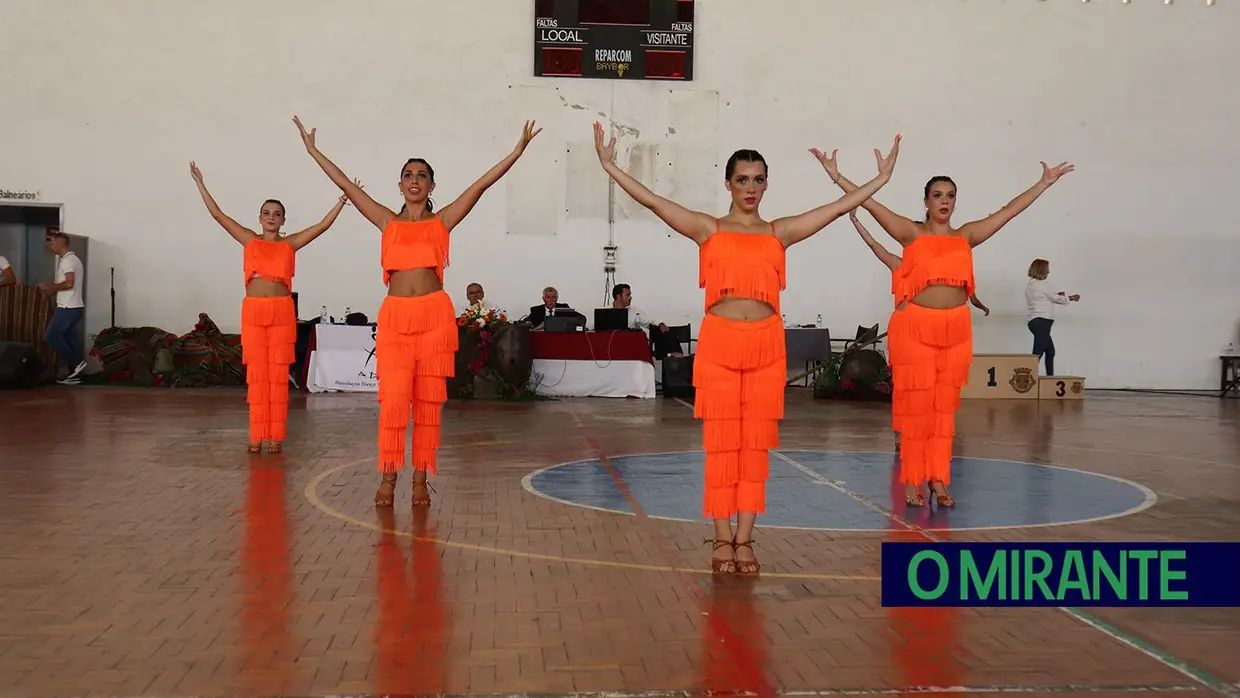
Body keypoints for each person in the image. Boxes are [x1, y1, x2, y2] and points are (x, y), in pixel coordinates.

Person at [594, 121, 900, 574]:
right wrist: (608, 165)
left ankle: (745, 539)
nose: (751, 187)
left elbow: (837, 208)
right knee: (722, 445)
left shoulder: (780, 232)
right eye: (742, 179)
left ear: (766, 184)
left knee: (754, 447)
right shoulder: (708, 229)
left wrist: (879, 180)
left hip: (764, 346)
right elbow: (653, 201)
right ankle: (720, 538)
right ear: (728, 183)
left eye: (758, 179)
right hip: (719, 343)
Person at [293, 115, 541, 508]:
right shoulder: (386, 221)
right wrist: (312, 150)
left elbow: (480, 185)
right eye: (408, 174)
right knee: (393, 403)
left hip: (433, 319)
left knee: (426, 404)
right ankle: (388, 478)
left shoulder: (442, 221)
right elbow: (343, 184)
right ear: (400, 184)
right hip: (395, 318)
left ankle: (421, 481)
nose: (414, 179)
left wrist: (516, 151)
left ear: (431, 186)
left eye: (421, 175)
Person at [817, 150, 1074, 509]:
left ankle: (938, 479)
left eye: (950, 196)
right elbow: (872, 205)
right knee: (917, 408)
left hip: (954, 330)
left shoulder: (966, 235)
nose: (945, 202)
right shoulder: (911, 233)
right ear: (926, 201)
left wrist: (1043, 184)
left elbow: (1007, 213)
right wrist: (836, 175)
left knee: (943, 410)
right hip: (916, 328)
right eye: (937, 195)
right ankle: (912, 478)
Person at [189, 162, 351, 453]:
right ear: (260, 218)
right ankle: (256, 434)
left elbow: (322, 226)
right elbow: (217, 215)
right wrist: (201, 183)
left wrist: (342, 200)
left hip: (281, 312)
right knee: (257, 377)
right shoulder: (249, 239)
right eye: (266, 213)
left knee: (277, 376)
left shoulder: (289, 244)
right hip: (253, 311)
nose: (271, 218)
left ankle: (275, 436)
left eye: (277, 214)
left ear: (283, 220)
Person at [850, 210, 990, 315]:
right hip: (908, 322)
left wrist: (981, 306)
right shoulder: (898, 265)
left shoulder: (936, 271)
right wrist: (855, 221)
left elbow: (969, 292)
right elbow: (873, 244)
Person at [37, 232, 87, 384]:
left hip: (68, 308)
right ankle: (74, 375)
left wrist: (49, 286)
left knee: (51, 337)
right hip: (74, 306)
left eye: (52, 243)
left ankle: (77, 362)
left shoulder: (67, 261)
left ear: (60, 244)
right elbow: (68, 285)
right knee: (69, 339)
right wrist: (51, 292)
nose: (51, 246)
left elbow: (69, 283)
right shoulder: (73, 260)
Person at [1025, 258, 1078, 376]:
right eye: (1047, 270)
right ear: (1041, 270)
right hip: (1042, 321)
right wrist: (1071, 298)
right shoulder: (1042, 285)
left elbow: (1046, 297)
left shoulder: (1031, 285)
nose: (1048, 272)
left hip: (1034, 321)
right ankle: (1028, 379)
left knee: (1050, 351)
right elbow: (1055, 298)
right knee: (1037, 353)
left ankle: (1050, 379)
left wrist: (1057, 296)